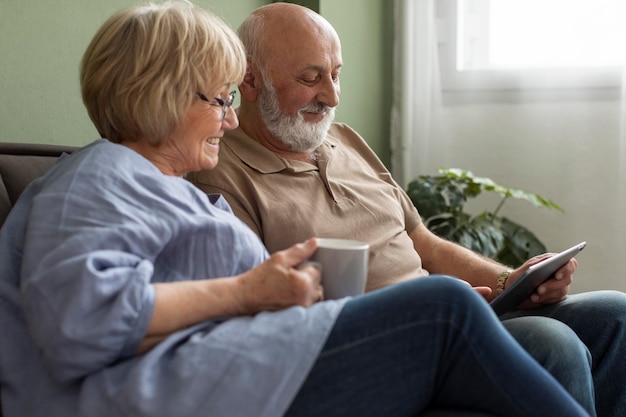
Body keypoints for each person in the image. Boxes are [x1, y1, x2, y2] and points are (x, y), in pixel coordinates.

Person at [0, 2, 592, 417]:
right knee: (445, 307)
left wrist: (288, 290)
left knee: (596, 316)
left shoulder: (171, 190)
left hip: (249, 369)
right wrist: (249, 292)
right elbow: (80, 326)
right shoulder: (93, 182)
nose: (231, 117)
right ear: (165, 94)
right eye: (222, 97)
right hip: (184, 392)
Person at [187, 3, 626, 417]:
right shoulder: (220, 173)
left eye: (337, 74)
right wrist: (428, 311)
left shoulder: (346, 139)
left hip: (455, 313)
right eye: (311, 78)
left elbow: (423, 242)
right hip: (396, 339)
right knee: (552, 342)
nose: (332, 96)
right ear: (249, 81)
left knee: (616, 316)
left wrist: (508, 281)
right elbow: (262, 306)